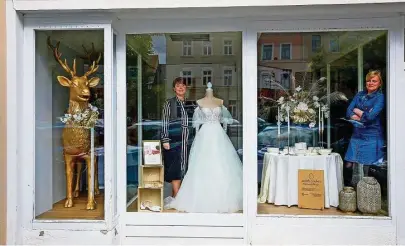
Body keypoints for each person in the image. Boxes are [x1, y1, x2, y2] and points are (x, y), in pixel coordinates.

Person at [167, 82, 243, 213]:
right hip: (205, 135)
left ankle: (224, 198)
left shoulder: (220, 102)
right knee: (203, 163)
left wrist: (224, 133)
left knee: (221, 163)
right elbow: (196, 125)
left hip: (219, 135)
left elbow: (226, 121)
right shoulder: (199, 102)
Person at [344, 70, 385, 186]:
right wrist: (362, 114)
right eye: (368, 81)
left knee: (368, 167)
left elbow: (371, 117)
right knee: (348, 163)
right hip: (357, 135)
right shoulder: (359, 95)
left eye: (374, 81)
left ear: (379, 83)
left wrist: (357, 111)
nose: (370, 83)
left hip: (372, 135)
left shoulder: (380, 97)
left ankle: (368, 194)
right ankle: (349, 191)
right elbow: (348, 111)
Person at [161, 77, 196, 198]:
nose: (180, 87)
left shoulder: (191, 104)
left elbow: (195, 122)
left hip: (189, 142)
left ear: (186, 88)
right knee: (175, 169)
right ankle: (176, 198)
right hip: (174, 141)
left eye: (183, 85)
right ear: (174, 89)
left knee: (186, 168)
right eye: (178, 85)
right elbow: (165, 121)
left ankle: (180, 198)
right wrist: (165, 139)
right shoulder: (169, 103)